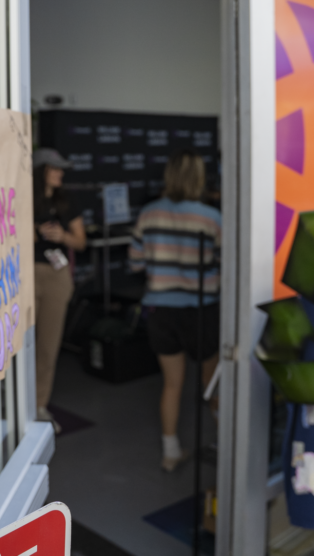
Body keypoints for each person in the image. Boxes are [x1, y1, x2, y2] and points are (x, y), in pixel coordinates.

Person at [129, 150, 221, 472]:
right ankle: (225, 443)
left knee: (172, 384)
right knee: (211, 383)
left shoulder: (148, 214)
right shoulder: (211, 217)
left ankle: (170, 452)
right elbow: (225, 267)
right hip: (201, 310)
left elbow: (135, 262)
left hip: (162, 310)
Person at [33, 148, 87, 434]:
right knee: (17, 341)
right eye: (55, 168)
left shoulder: (68, 200)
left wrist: (61, 235)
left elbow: (81, 242)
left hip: (56, 275)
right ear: (40, 170)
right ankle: (11, 403)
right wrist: (36, 232)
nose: (60, 173)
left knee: (48, 344)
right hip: (23, 273)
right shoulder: (21, 196)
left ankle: (40, 404)